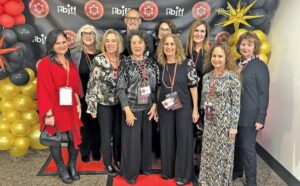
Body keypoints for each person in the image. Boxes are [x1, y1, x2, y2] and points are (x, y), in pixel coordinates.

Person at [37, 29, 83, 184]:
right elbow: (43, 90)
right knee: (55, 139)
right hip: (53, 106)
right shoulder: (45, 63)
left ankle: (72, 165)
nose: (62, 45)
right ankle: (61, 167)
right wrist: (48, 115)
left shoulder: (69, 61)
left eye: (64, 42)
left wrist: (78, 103)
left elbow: (75, 85)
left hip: (70, 104)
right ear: (51, 45)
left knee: (73, 137)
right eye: (58, 43)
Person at [156, 34, 199, 186]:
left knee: (184, 140)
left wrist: (195, 110)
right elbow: (158, 88)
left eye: (172, 44)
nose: (169, 47)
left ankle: (183, 175)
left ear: (177, 47)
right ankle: (168, 171)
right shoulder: (160, 65)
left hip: (185, 107)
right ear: (162, 47)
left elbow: (194, 88)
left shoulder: (187, 63)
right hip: (165, 107)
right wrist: (155, 107)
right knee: (167, 139)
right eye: (166, 44)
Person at [117, 30, 159, 184]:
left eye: (139, 42)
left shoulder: (151, 63)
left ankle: (145, 168)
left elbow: (156, 87)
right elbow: (120, 88)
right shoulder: (125, 62)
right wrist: (127, 110)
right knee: (131, 143)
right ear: (130, 45)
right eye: (133, 42)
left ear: (145, 44)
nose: (137, 45)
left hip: (148, 108)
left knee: (146, 140)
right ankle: (130, 174)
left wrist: (154, 105)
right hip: (132, 109)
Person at [198, 43, 241, 185]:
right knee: (209, 154)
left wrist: (233, 126)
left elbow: (236, 104)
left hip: (225, 125)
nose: (216, 59)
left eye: (220, 56)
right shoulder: (206, 78)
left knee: (222, 156)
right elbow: (205, 101)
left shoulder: (232, 78)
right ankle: (206, 181)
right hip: (210, 124)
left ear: (226, 58)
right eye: (214, 56)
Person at [233, 31, 270, 186]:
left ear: (255, 47)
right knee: (236, 146)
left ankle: (252, 182)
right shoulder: (235, 63)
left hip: (250, 115)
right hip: (234, 113)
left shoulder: (259, 66)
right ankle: (236, 172)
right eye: (243, 44)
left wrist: (261, 118)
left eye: (249, 44)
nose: (245, 47)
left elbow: (263, 93)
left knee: (248, 149)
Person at [85, 29, 124, 176]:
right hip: (103, 104)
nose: (110, 44)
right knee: (106, 135)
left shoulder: (123, 59)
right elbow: (92, 84)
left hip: (120, 103)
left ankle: (118, 159)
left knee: (118, 133)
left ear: (118, 43)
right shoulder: (98, 60)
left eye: (113, 41)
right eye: (107, 41)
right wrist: (92, 106)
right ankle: (107, 163)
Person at [71, 24, 101, 162]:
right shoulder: (74, 54)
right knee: (84, 125)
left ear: (95, 36)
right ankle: (84, 150)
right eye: (85, 33)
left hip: (99, 97)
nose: (88, 35)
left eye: (91, 33)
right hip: (81, 98)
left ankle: (96, 150)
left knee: (98, 125)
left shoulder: (101, 52)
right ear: (81, 36)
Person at [186, 20, 210, 174]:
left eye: (202, 31)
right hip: (185, 96)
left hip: (204, 97)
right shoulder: (184, 51)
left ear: (206, 34)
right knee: (187, 131)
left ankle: (199, 164)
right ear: (191, 32)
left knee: (202, 130)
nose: (199, 34)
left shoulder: (209, 53)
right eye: (196, 30)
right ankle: (186, 162)